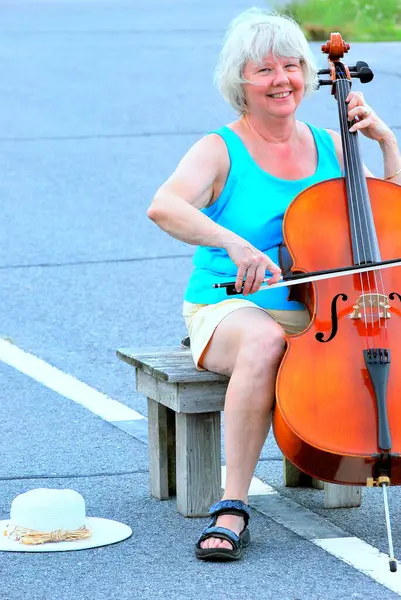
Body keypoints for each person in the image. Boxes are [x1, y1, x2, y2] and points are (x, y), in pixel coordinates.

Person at [147, 7, 401, 561]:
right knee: (264, 341)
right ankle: (233, 504)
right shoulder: (220, 148)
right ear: (239, 81)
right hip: (231, 306)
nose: (281, 79)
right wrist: (234, 243)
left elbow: (384, 221)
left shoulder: (335, 145)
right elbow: (163, 207)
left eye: (291, 65)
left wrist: (386, 144)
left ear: (309, 75)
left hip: (317, 307)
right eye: (264, 69)